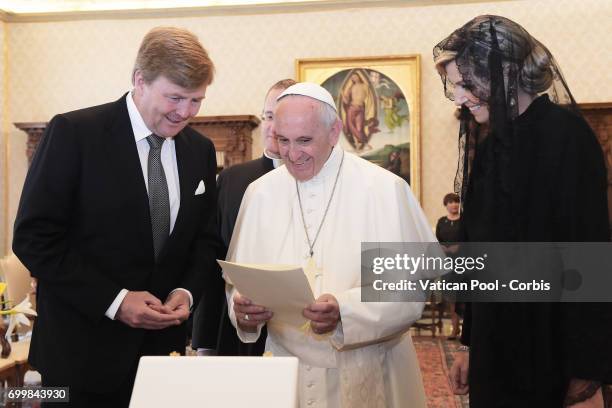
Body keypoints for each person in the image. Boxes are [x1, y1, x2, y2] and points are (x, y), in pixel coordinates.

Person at [12, 27, 219, 407]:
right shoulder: (75, 134)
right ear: (140, 80)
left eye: (196, 100)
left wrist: (186, 292)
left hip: (162, 360)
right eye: (175, 97)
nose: (186, 113)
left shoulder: (200, 151)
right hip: (76, 359)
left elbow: (205, 240)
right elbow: (33, 238)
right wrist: (116, 300)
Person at [434, 15, 612, 407]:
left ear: (506, 73)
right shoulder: (492, 146)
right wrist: (469, 346)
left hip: (552, 350)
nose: (459, 96)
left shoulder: (567, 138)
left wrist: (586, 370)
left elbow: (589, 255)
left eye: (466, 83)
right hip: (496, 348)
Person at [225, 82, 433, 407]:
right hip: (285, 370)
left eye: (304, 140)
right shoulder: (260, 193)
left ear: (334, 131)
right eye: (283, 140)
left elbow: (408, 290)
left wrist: (345, 312)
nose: (292, 155)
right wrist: (243, 310)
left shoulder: (383, 189)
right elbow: (240, 282)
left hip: (370, 364)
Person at [191, 79, 296, 356]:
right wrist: (204, 340)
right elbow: (214, 258)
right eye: (269, 116)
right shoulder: (232, 180)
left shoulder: (319, 180)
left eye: (283, 117)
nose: (274, 127)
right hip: (238, 326)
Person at [435, 192, 462, 340]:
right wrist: (442, 248)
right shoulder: (441, 221)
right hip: (446, 263)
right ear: (446, 205)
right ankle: (454, 329)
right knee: (451, 297)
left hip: (464, 262)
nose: (454, 205)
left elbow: (470, 239)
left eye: (456, 202)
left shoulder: (465, 221)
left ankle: (465, 330)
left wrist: (459, 247)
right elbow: (436, 240)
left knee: (463, 297)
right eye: (451, 202)